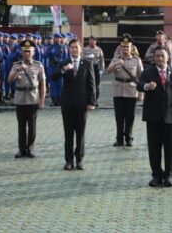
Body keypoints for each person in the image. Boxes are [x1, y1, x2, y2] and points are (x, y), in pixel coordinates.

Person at [137, 47, 172, 187]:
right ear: (154, 58)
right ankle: (156, 175)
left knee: (170, 148)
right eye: (157, 56)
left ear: (168, 57)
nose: (160, 58)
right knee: (154, 148)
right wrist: (147, 86)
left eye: (162, 56)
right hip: (153, 116)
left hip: (171, 116)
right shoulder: (147, 72)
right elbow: (139, 85)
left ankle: (169, 175)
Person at [51, 39, 96, 170]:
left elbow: (91, 84)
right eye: (71, 47)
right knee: (68, 133)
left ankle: (79, 159)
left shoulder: (87, 63)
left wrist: (91, 102)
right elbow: (53, 77)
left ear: (80, 49)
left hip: (82, 104)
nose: (74, 50)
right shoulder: (65, 62)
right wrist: (64, 70)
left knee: (80, 133)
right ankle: (69, 160)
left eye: (76, 47)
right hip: (67, 104)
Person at [8, 40, 46, 158]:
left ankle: (30, 148)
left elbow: (43, 84)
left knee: (32, 125)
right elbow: (9, 80)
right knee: (21, 125)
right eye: (25, 51)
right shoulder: (16, 65)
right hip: (20, 98)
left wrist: (42, 101)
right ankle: (21, 149)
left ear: (33, 52)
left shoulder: (38, 65)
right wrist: (18, 70)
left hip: (33, 97)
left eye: (29, 51)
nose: (27, 54)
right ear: (21, 52)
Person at [105, 36, 143, 147]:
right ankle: (119, 139)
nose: (125, 49)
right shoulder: (116, 58)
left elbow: (141, 77)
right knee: (119, 116)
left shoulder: (137, 60)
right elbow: (107, 71)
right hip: (118, 90)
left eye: (127, 47)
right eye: (123, 46)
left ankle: (129, 138)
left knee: (130, 116)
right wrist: (115, 64)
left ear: (131, 48)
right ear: (120, 47)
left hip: (131, 90)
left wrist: (141, 93)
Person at [83, 36, 105, 105]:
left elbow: (102, 60)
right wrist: (87, 57)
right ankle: (88, 100)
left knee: (96, 85)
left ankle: (95, 100)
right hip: (87, 68)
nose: (92, 42)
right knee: (87, 84)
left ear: (96, 41)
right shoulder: (85, 49)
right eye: (90, 40)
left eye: (93, 40)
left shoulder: (99, 49)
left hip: (96, 68)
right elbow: (81, 57)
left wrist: (102, 69)